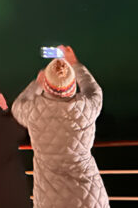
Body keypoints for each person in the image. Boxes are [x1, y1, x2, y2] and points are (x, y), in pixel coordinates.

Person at [11, 45, 109, 208]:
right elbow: (94, 90)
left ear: (47, 86)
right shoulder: (87, 107)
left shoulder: (34, 111)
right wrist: (75, 64)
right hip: (89, 197)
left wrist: (37, 84)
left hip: (51, 201)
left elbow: (17, 106)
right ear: (73, 85)